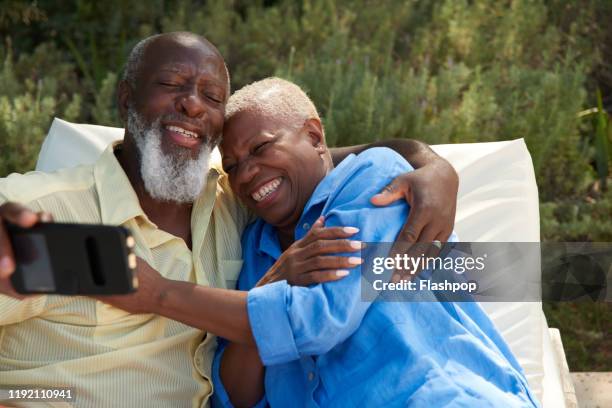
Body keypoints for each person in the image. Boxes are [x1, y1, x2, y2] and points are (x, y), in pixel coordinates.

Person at [0, 32, 459, 407]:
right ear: (127, 99)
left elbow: (309, 161)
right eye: (172, 84)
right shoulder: (55, 215)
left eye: (212, 96)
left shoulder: (234, 198)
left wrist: (430, 165)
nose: (193, 104)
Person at [205, 77, 539, 406]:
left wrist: (162, 294)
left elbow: (321, 319)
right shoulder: (254, 249)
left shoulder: (375, 182)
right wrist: (266, 291)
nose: (245, 174)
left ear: (314, 136)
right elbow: (236, 397)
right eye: (232, 166)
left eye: (260, 148)